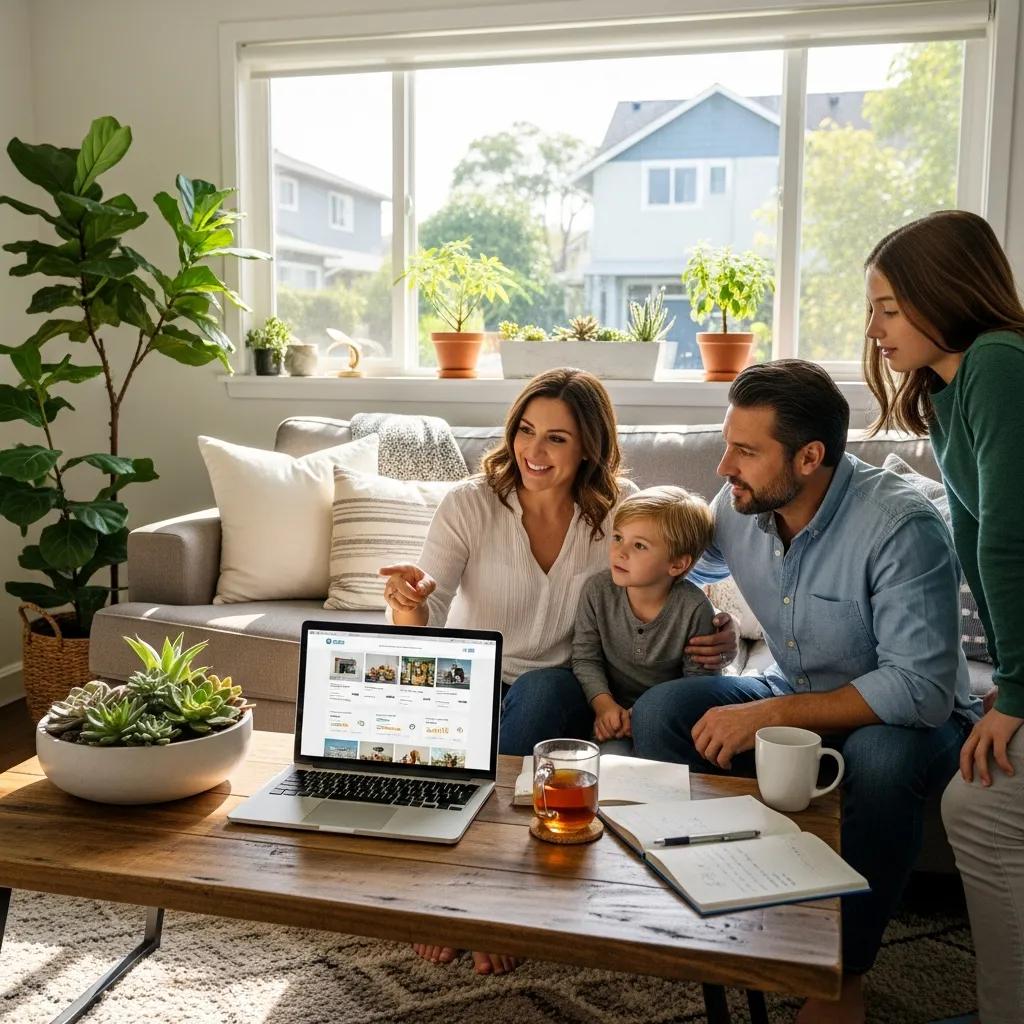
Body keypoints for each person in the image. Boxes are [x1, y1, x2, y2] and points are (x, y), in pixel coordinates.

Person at [629, 360, 980, 1024]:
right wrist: (706, 626)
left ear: (810, 456)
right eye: (726, 441)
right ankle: (734, 906)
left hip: (908, 720)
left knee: (880, 758)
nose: (724, 465)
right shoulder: (738, 506)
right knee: (664, 713)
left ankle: (842, 971)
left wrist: (773, 709)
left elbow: (920, 688)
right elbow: (672, 560)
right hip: (791, 688)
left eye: (746, 451)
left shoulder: (900, 527)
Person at [378, 367, 738, 975]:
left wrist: (719, 638)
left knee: (544, 691)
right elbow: (422, 626)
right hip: (477, 684)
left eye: (557, 438)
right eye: (525, 430)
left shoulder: (619, 513)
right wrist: (406, 605)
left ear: (589, 447)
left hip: (566, 688)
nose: (533, 451)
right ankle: (459, 887)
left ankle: (499, 900)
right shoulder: (470, 503)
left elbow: (683, 587)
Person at [863, 210, 1024, 1024]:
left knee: (981, 805)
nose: (876, 328)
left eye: (890, 307)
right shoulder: (956, 385)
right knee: (984, 806)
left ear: (943, 292)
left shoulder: (1000, 362)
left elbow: (1009, 538)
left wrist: (1021, 689)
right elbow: (975, 534)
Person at [573, 486, 717, 745]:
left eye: (639, 545)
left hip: (667, 718)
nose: (620, 551)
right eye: (618, 537)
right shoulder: (597, 591)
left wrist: (639, 716)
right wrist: (605, 708)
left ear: (677, 564)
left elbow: (698, 685)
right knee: (609, 766)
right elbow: (585, 658)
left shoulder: (694, 608)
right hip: (609, 714)